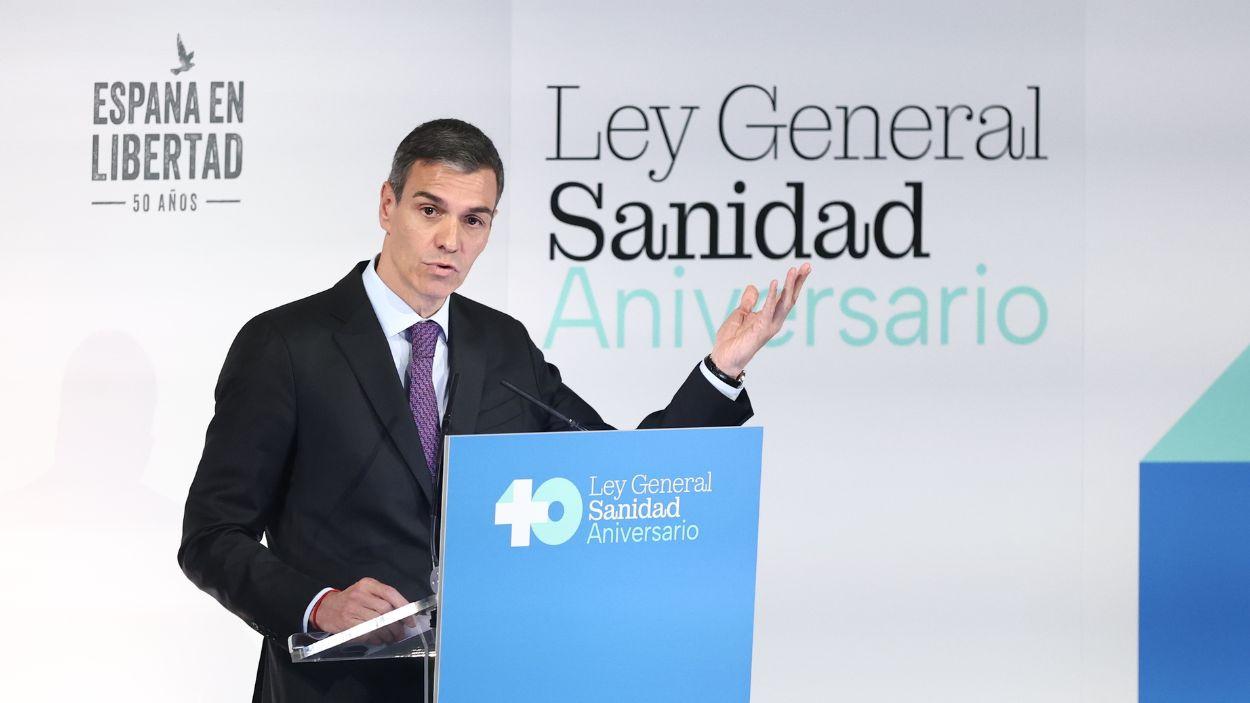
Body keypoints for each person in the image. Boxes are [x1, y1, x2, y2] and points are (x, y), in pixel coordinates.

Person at [178, 118, 811, 702]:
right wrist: (318, 604)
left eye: (474, 220)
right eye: (431, 210)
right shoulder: (287, 344)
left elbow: (620, 479)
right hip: (336, 686)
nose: (450, 240)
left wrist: (721, 370)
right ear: (387, 205)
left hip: (488, 681)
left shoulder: (502, 346)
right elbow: (211, 537)